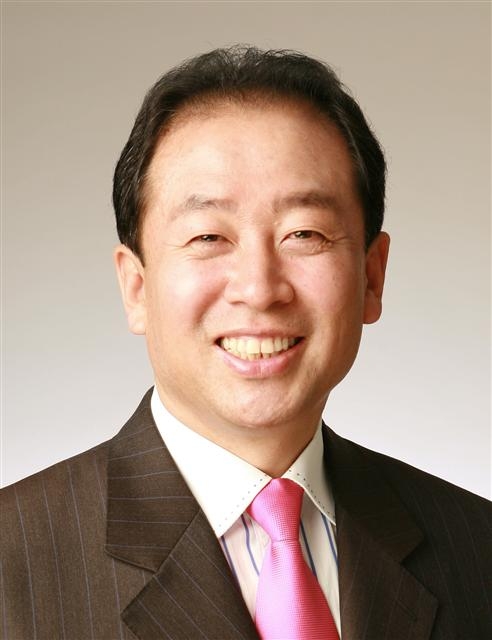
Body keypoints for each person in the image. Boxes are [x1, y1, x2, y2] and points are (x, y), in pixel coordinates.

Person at [1, 46, 490, 640]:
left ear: (371, 276)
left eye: (304, 233)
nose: (259, 289)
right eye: (209, 236)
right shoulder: (14, 561)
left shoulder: (476, 548)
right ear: (136, 286)